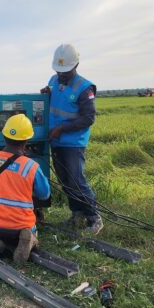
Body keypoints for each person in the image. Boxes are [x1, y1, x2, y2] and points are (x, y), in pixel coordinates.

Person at [0, 114, 51, 262]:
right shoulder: (31, 166)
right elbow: (44, 195)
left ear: (4, 136)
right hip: (19, 226)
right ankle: (30, 238)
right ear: (26, 141)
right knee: (29, 227)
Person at [40, 43, 104, 235]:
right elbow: (54, 102)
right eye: (59, 71)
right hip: (56, 141)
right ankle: (77, 214)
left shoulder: (85, 88)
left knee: (76, 179)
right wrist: (46, 95)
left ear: (76, 65)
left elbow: (88, 118)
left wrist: (62, 129)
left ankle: (94, 217)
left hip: (73, 143)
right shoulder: (53, 80)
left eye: (65, 71)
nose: (61, 74)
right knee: (65, 180)